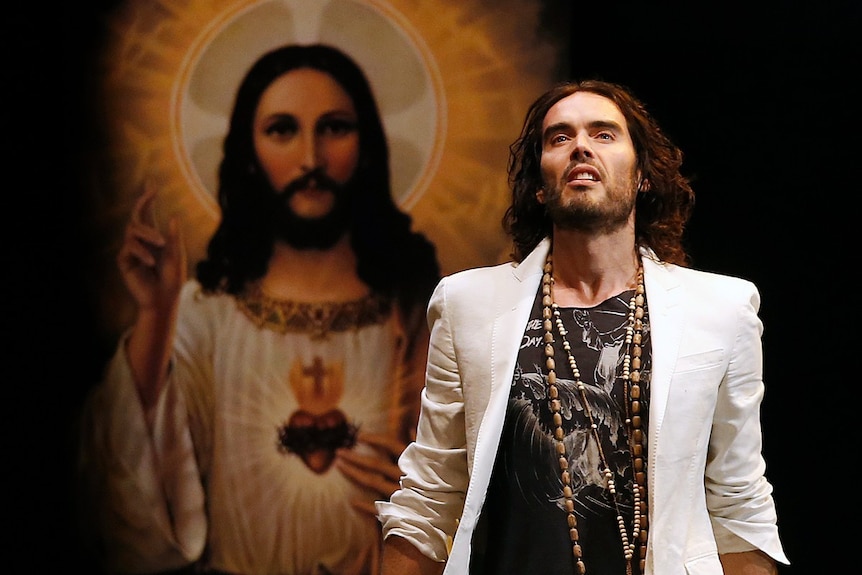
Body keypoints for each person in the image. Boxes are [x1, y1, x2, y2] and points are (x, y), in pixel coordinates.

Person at [376, 79, 790, 574]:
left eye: (604, 134)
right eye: (559, 137)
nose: (581, 147)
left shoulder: (722, 308)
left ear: (643, 176)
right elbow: (429, 495)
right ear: (537, 183)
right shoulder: (468, 304)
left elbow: (739, 503)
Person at [77, 43, 440, 575]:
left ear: (367, 147)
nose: (310, 159)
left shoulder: (417, 316)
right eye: (282, 130)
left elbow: (477, 492)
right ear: (249, 151)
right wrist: (155, 319)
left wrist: (433, 511)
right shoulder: (204, 314)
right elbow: (128, 508)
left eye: (335, 127)